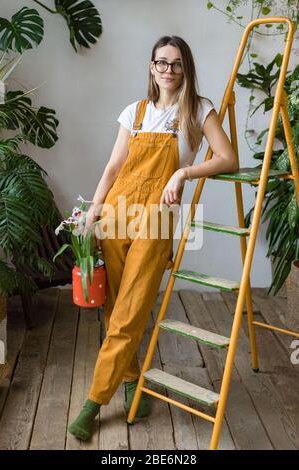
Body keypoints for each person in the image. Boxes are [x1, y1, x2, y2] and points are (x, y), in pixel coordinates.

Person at [68, 35, 238, 441]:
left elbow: (227, 157)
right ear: (151, 67)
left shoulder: (199, 109)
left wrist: (183, 173)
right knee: (113, 304)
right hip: (117, 213)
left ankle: (93, 402)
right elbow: (114, 167)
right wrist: (94, 208)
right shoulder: (136, 111)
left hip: (157, 218)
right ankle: (131, 384)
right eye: (161, 63)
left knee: (131, 308)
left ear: (186, 68)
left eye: (176, 64)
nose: (168, 70)